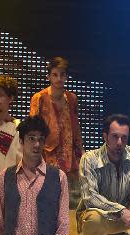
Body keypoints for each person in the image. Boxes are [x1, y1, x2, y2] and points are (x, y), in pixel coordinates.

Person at [30, 57, 84, 203]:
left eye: (62, 74)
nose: (59, 78)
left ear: (66, 76)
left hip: (69, 154)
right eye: (55, 74)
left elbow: (76, 127)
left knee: (69, 200)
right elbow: (33, 130)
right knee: (48, 199)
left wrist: (81, 153)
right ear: (48, 76)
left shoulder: (72, 98)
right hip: (47, 153)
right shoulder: (39, 98)